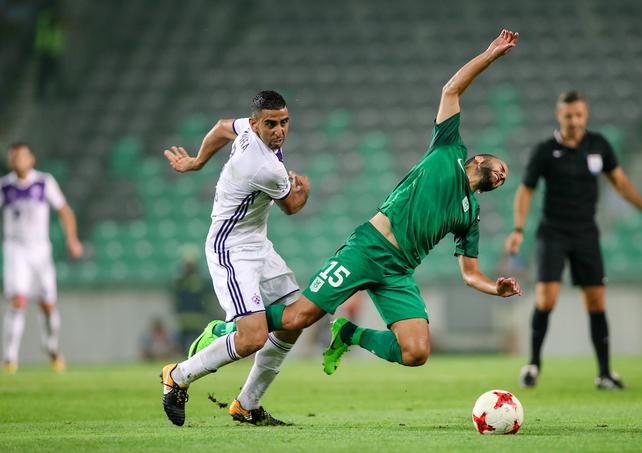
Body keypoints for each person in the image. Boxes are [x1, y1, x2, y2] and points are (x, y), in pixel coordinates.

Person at [183, 29, 523, 390]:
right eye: (501, 167)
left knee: (417, 352)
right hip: (368, 247)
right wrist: (489, 55)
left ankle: (348, 333)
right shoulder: (448, 147)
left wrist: (493, 288)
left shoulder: (471, 215)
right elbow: (450, 90)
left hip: (399, 270)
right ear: (480, 159)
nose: (503, 175)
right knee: (299, 317)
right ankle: (231, 329)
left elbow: (470, 273)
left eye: (506, 178)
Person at [160, 90, 311, 427]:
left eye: (284, 122)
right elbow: (291, 207)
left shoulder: (247, 130)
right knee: (252, 337)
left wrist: (198, 161)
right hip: (231, 249)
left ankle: (246, 405)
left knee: (297, 319)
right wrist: (306, 190)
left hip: (258, 244)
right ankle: (178, 375)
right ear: (257, 125)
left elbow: (220, 127)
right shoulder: (263, 166)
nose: (279, 130)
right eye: (271, 124)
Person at [504, 91, 642, 390]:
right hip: (553, 232)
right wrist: (518, 229)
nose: (574, 120)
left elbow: (620, 181)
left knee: (595, 300)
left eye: (578, 114)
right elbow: (525, 190)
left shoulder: (598, 145)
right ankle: (533, 365)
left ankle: (605, 373)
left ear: (586, 115)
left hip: (586, 234)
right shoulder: (545, 150)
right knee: (546, 299)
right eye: (568, 115)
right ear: (559, 116)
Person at [1, 142, 83, 373]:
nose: (18, 161)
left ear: (31, 159)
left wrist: (72, 240)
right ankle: (9, 358)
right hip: (15, 248)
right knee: (18, 300)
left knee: (47, 304)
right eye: (14, 157)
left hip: (40, 250)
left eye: (22, 156)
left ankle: (51, 347)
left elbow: (64, 211)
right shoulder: (5, 186)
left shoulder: (43, 182)